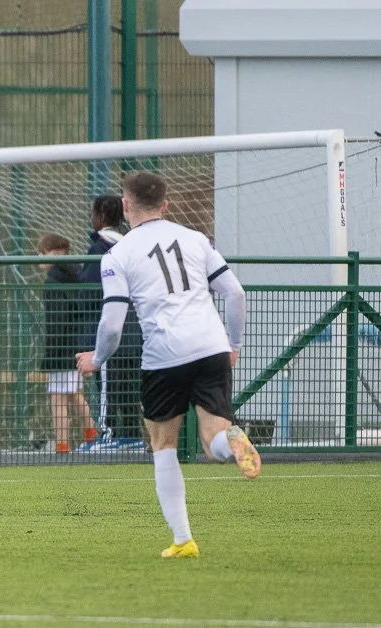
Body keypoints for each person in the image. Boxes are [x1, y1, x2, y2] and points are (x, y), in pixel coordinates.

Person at [75, 172, 261, 559]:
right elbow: (235, 293)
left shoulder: (118, 255)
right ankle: (230, 442)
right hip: (210, 347)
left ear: (125, 207)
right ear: (166, 203)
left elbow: (112, 322)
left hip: (163, 356)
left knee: (163, 445)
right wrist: (234, 344)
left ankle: (183, 540)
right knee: (213, 442)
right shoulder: (196, 239)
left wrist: (97, 358)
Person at [81, 195, 144, 447]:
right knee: (128, 385)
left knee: (110, 384)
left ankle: (110, 434)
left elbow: (89, 288)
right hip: (137, 327)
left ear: (101, 216)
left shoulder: (101, 247)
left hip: (114, 325)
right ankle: (130, 435)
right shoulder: (133, 244)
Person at [38, 233, 98, 453]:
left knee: (57, 396)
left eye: (41, 253)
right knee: (73, 392)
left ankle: (62, 444)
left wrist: (51, 353)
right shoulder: (78, 273)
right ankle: (91, 436)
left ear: (52, 253)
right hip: (78, 343)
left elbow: (56, 320)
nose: (39, 259)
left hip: (61, 348)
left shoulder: (55, 279)